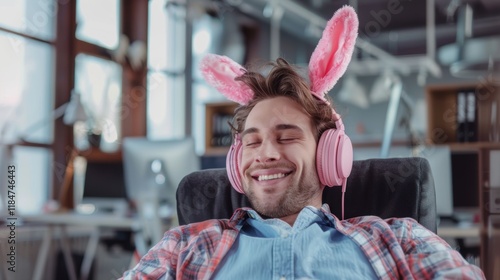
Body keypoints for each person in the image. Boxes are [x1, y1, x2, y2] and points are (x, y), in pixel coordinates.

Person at [121, 6, 485, 279]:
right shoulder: (185, 245)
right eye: (252, 142)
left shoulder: (397, 239)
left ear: (330, 152)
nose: (265, 154)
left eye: (287, 136)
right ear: (235, 163)